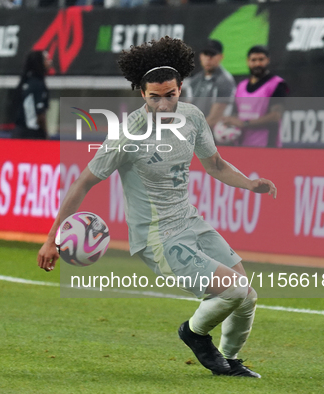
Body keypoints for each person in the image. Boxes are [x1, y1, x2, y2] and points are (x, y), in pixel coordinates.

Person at [37, 37, 277, 378]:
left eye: (171, 95)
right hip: (158, 237)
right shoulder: (127, 135)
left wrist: (251, 183)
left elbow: (216, 165)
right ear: (142, 94)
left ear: (181, 89)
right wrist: (51, 239)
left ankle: (228, 360)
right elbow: (82, 183)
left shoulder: (193, 117)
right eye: (155, 97)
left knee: (246, 294)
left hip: (190, 221)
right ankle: (193, 333)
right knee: (234, 291)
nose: (164, 104)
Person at [222, 45, 289, 148]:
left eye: (261, 60)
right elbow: (236, 113)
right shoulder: (241, 86)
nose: (257, 64)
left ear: (268, 60)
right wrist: (228, 123)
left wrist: (245, 123)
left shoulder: (277, 84)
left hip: (267, 146)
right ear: (248, 61)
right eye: (254, 60)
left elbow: (275, 116)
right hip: (242, 145)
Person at [182, 39, 236, 131]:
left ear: (221, 57)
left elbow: (216, 117)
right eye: (205, 54)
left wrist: (192, 133)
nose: (208, 58)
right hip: (196, 132)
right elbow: (189, 109)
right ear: (200, 56)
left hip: (214, 136)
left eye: (212, 55)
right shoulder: (195, 80)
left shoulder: (225, 81)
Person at [13, 50, 52, 139]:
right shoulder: (38, 84)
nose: (50, 62)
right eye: (47, 59)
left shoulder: (25, 81)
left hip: (18, 132)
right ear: (40, 62)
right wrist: (45, 133)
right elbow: (40, 114)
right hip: (31, 134)